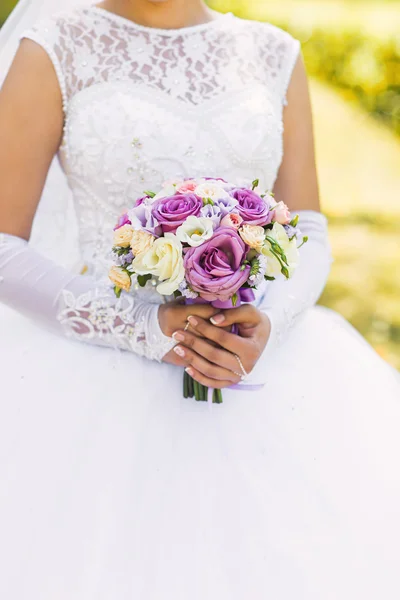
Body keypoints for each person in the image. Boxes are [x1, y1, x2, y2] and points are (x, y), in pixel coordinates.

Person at [0, 0, 399, 598]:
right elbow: (4, 247)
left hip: (258, 359)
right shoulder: (55, 42)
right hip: (97, 372)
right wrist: (144, 327)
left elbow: (310, 229)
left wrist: (270, 318)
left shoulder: (273, 52)